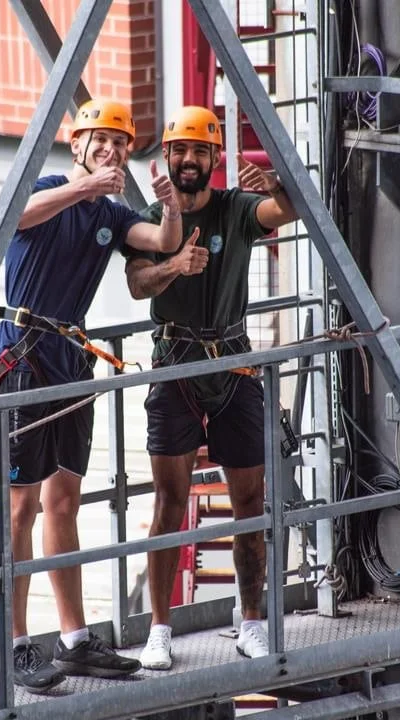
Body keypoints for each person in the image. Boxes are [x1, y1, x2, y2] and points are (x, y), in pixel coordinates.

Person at [0, 99, 186, 692]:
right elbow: (14, 217)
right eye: (102, 140)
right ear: (77, 145)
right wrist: (85, 188)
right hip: (24, 357)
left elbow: (162, 239)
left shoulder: (113, 214)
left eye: (121, 144)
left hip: (70, 359)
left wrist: (171, 204)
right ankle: (17, 645)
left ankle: (73, 640)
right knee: (19, 508)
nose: (112, 150)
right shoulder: (49, 189)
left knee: (64, 502)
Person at [124, 106, 297, 671]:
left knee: (248, 502)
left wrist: (274, 181)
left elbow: (289, 211)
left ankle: (252, 622)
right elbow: (137, 283)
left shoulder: (236, 208)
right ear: (167, 156)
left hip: (234, 366)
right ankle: (159, 629)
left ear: (215, 158)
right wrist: (176, 266)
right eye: (180, 150)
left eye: (200, 151)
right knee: (169, 503)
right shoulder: (153, 218)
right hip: (174, 368)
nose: (189, 160)